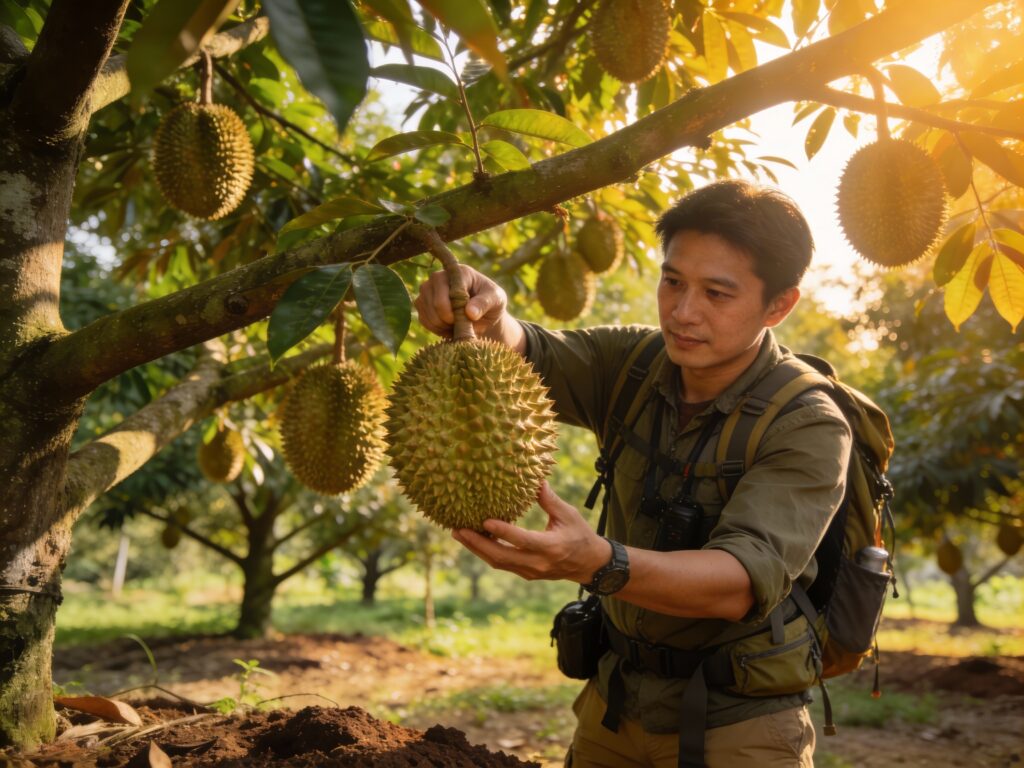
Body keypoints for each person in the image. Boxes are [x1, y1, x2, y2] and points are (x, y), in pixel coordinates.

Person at [414, 179, 852, 768]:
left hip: (738, 721)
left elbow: (739, 581)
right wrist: (484, 313)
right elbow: (527, 352)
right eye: (672, 281)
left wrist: (596, 562)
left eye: (716, 294)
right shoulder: (634, 363)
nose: (683, 312)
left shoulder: (809, 424)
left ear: (779, 305)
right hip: (615, 701)